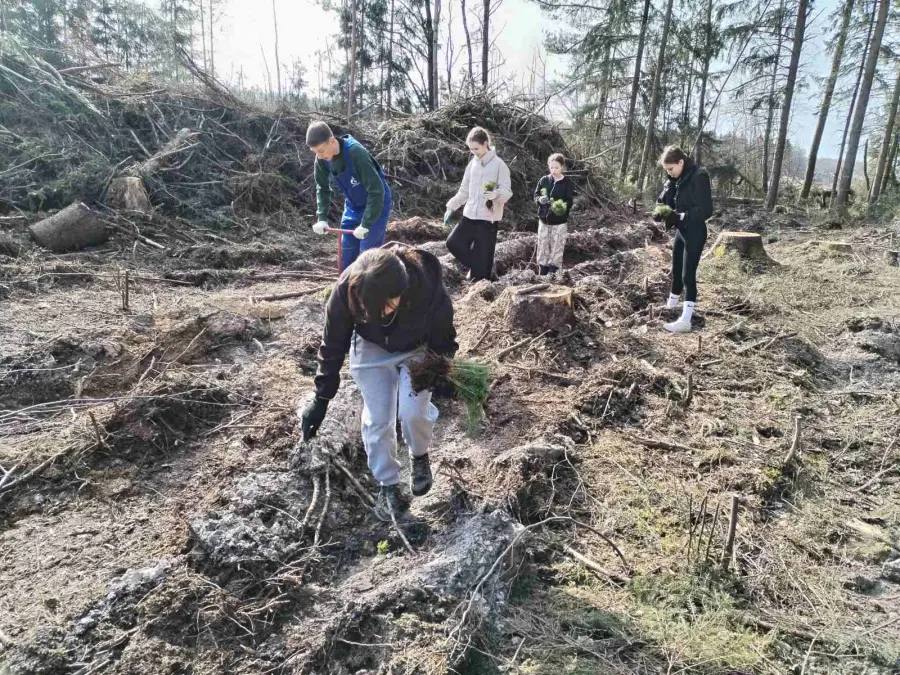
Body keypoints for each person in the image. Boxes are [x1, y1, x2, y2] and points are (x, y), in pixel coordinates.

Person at [300, 244, 458, 521]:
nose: (379, 313)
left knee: (412, 413)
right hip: (370, 347)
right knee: (377, 419)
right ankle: (388, 486)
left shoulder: (425, 283)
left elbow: (443, 330)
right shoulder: (347, 289)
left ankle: (419, 456)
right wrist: (321, 399)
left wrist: (441, 366)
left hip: (416, 349)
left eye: (386, 306)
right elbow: (333, 343)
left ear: (402, 291)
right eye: (367, 309)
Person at [306, 121, 393, 271]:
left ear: (332, 141)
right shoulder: (321, 159)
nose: (319, 156)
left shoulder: (355, 153)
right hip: (353, 206)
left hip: (376, 203)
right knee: (347, 256)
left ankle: (371, 293)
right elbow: (322, 188)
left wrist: (366, 223)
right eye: (315, 152)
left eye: (321, 150)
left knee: (368, 259)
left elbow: (376, 191)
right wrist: (322, 218)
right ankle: (347, 292)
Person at [652, 145, 713, 333]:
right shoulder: (674, 179)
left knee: (688, 275)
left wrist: (681, 216)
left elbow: (706, 210)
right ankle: (670, 307)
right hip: (681, 231)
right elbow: (664, 201)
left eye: (671, 169)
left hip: (695, 231)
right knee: (676, 271)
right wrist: (660, 210)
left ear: (681, 162)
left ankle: (686, 320)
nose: (669, 173)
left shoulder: (699, 176)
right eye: (666, 170)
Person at [443, 127, 513, 281]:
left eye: (476, 148)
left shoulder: (499, 165)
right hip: (469, 216)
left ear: (486, 143)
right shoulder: (472, 164)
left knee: (479, 277)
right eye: (471, 149)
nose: (473, 152)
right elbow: (464, 190)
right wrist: (451, 206)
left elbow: (507, 192)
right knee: (453, 243)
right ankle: (480, 267)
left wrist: (496, 195)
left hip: (488, 220)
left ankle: (483, 275)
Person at [533, 153, 575, 276]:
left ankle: (553, 272)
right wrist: (540, 200)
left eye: (556, 167)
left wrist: (560, 207)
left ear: (562, 167)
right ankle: (542, 271)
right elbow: (536, 195)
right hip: (543, 220)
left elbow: (569, 200)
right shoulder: (544, 180)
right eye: (551, 167)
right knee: (543, 246)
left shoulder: (566, 183)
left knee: (557, 247)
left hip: (559, 222)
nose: (554, 170)